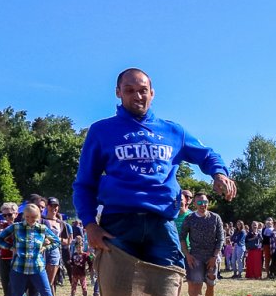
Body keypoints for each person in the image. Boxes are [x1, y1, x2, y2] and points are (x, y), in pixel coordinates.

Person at [73, 69, 235, 274]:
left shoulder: (173, 131)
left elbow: (207, 155)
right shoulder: (101, 131)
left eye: (142, 90)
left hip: (162, 223)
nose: (137, 96)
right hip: (118, 224)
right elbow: (84, 184)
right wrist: (89, 224)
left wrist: (219, 173)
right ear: (118, 92)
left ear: (152, 93)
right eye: (129, 90)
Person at [0, 203, 65, 296]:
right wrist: (11, 248)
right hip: (19, 268)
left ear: (38, 216)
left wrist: (46, 247)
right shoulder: (16, 227)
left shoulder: (42, 228)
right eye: (27, 217)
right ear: (23, 216)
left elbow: (56, 241)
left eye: (33, 217)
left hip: (38, 268)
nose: (30, 220)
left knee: (47, 295)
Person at [179, 190, 224, 296]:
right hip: (195, 256)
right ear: (194, 203)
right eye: (199, 202)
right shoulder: (189, 218)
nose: (202, 205)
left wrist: (215, 256)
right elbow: (182, 238)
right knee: (196, 285)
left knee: (211, 284)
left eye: (205, 202)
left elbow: (221, 239)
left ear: (207, 203)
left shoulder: (215, 218)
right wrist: (187, 255)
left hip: (212, 257)